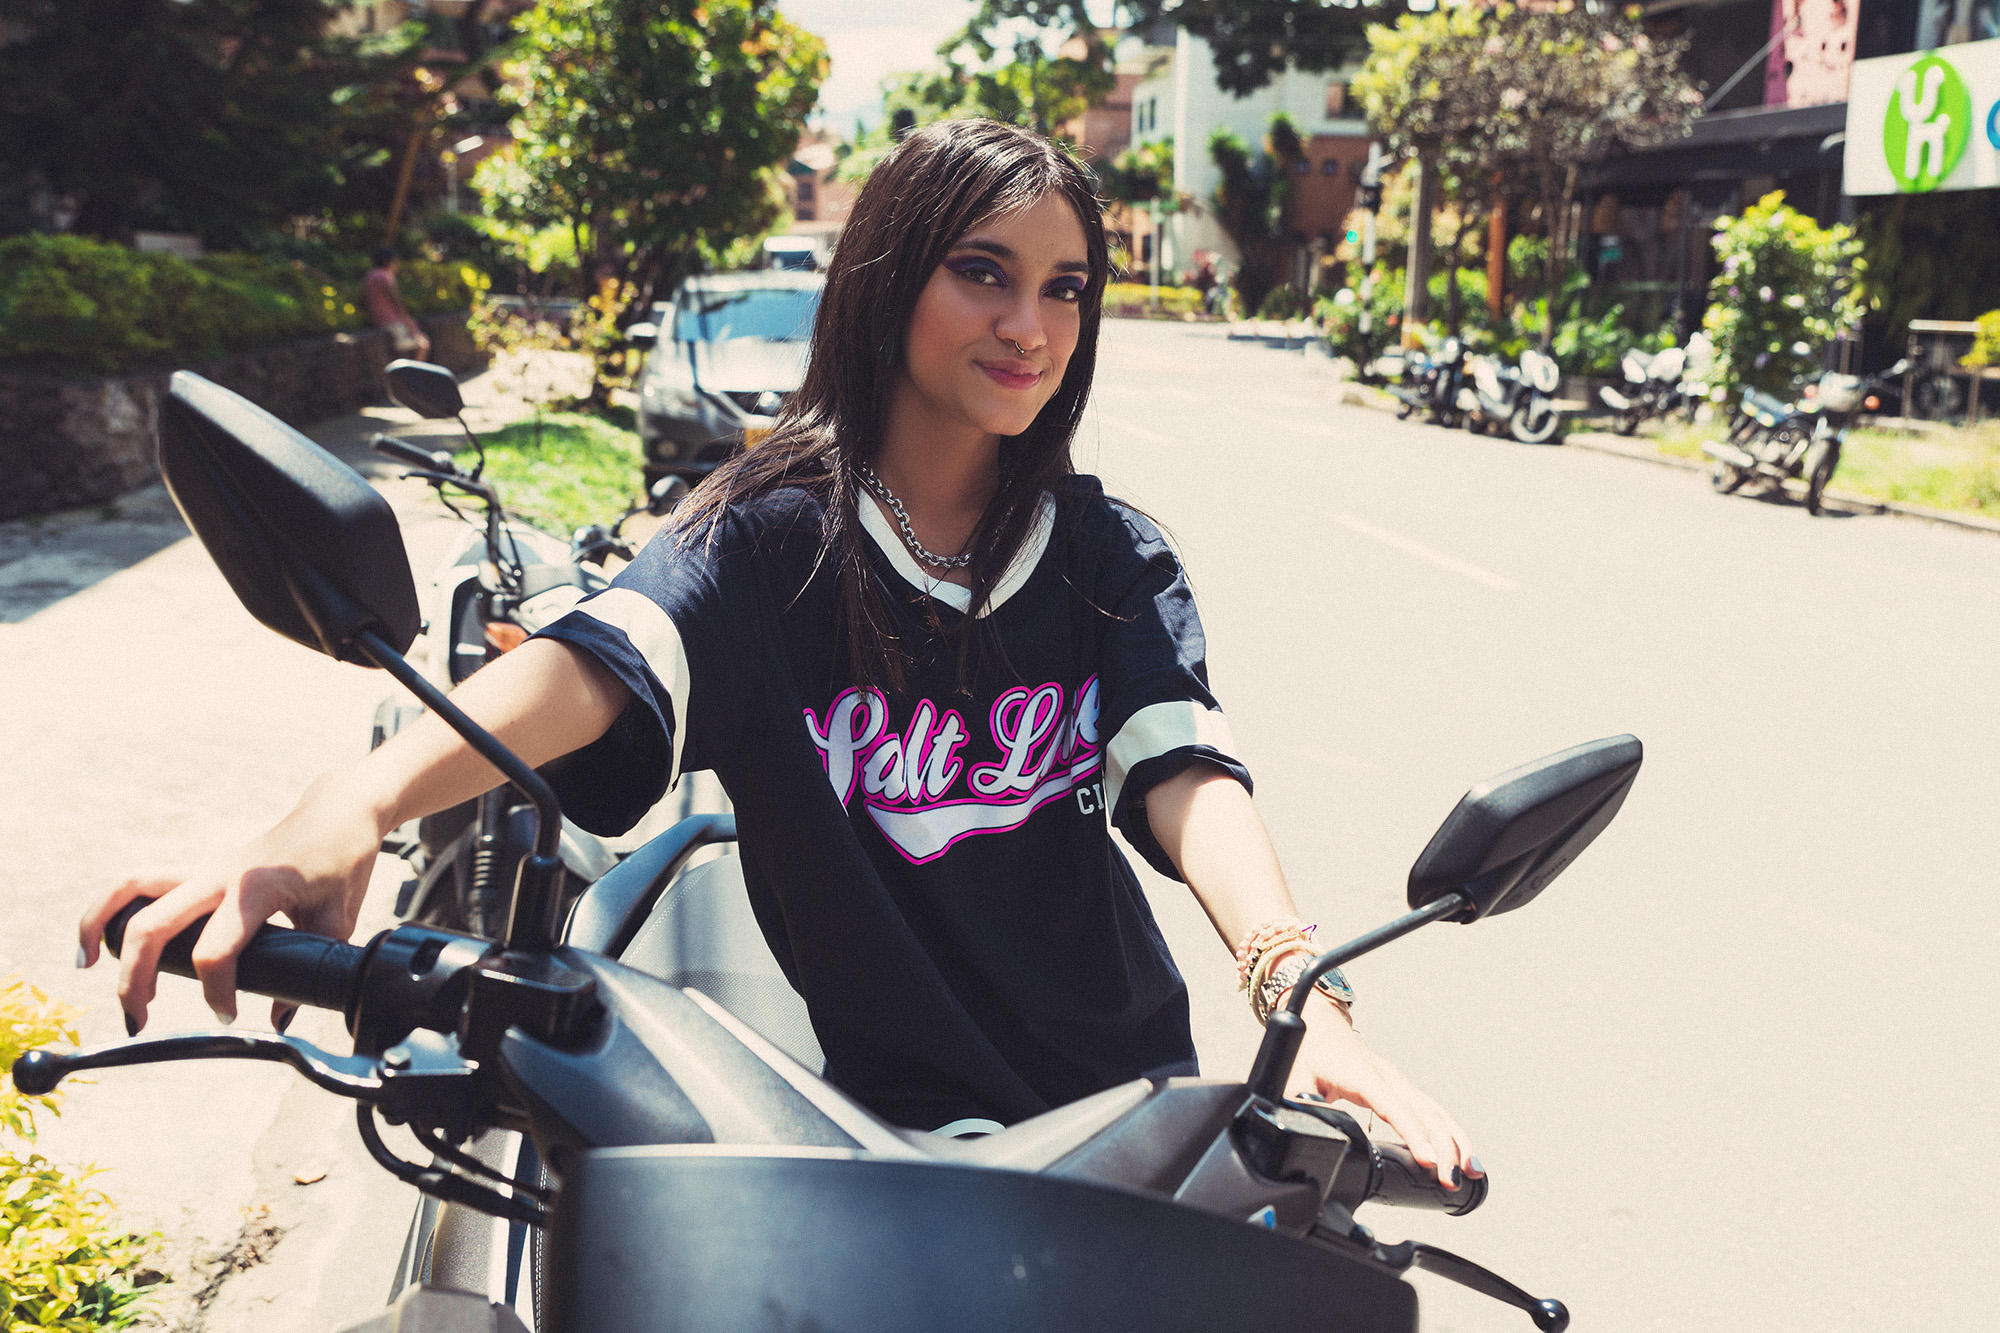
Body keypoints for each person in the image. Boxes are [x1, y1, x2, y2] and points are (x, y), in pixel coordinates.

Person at [80, 120, 1477, 1186]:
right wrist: (346, 806)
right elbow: (598, 657)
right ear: (886, 280)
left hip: (1131, 1117)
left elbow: (1186, 776)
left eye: (1065, 289)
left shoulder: (1107, 554)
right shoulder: (766, 544)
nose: (1029, 326)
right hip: (887, 1140)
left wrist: (1300, 992)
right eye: (982, 272)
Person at [362, 246, 431, 361]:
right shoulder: (386, 276)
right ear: (387, 261)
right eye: (395, 262)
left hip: (375, 320)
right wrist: (413, 329)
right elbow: (397, 304)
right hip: (391, 323)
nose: (397, 265)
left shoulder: (370, 275)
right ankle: (416, 371)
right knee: (423, 344)